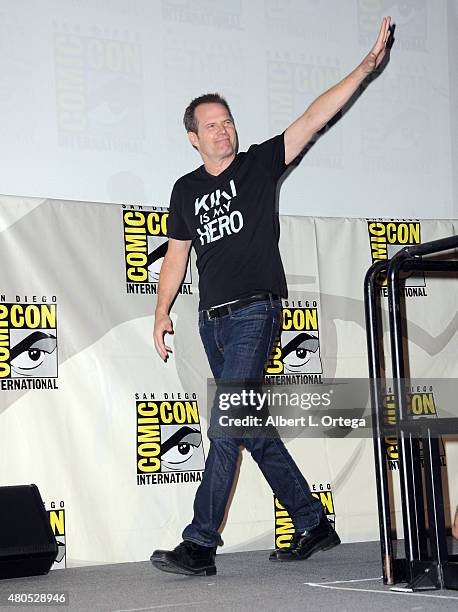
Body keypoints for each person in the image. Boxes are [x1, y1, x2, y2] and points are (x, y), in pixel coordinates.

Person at [151, 16, 392, 576]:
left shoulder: (259, 164)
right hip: (211, 322)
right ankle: (311, 522)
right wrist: (161, 312)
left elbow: (313, 117)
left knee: (227, 422)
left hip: (255, 312)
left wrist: (364, 68)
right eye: (211, 126)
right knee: (252, 429)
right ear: (194, 137)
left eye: (227, 122)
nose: (223, 131)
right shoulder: (185, 190)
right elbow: (176, 256)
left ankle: (200, 542)